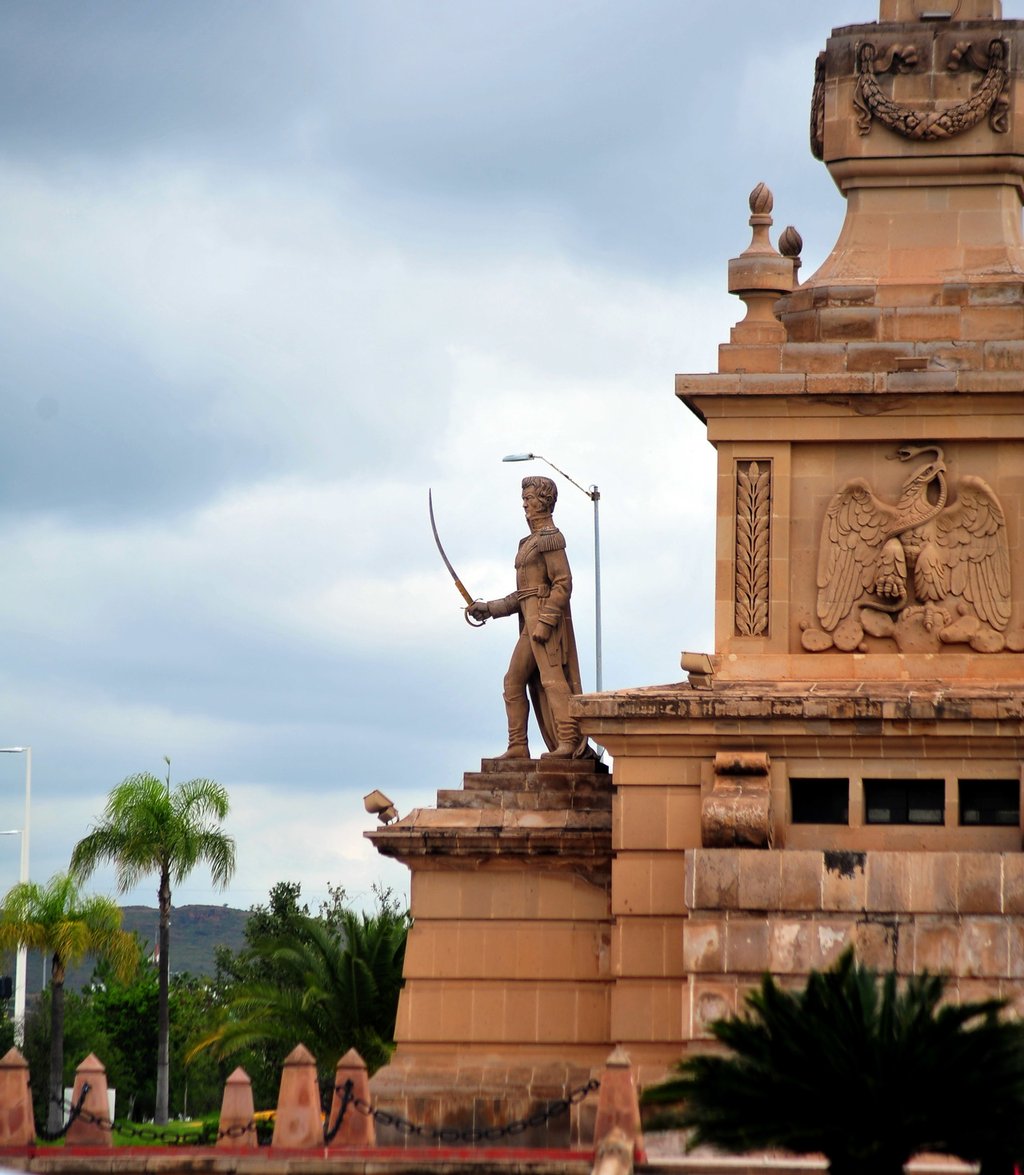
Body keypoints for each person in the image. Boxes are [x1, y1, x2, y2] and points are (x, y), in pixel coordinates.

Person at [469, 475, 588, 759]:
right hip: (528, 622)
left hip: (544, 624)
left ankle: (569, 741)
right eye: (524, 499)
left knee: (552, 679)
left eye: (530, 498)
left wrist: (546, 622)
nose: (525, 504)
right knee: (512, 681)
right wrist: (490, 608)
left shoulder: (550, 539)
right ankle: (518, 746)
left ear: (544, 501)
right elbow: (523, 594)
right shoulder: (528, 542)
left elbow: (563, 583)